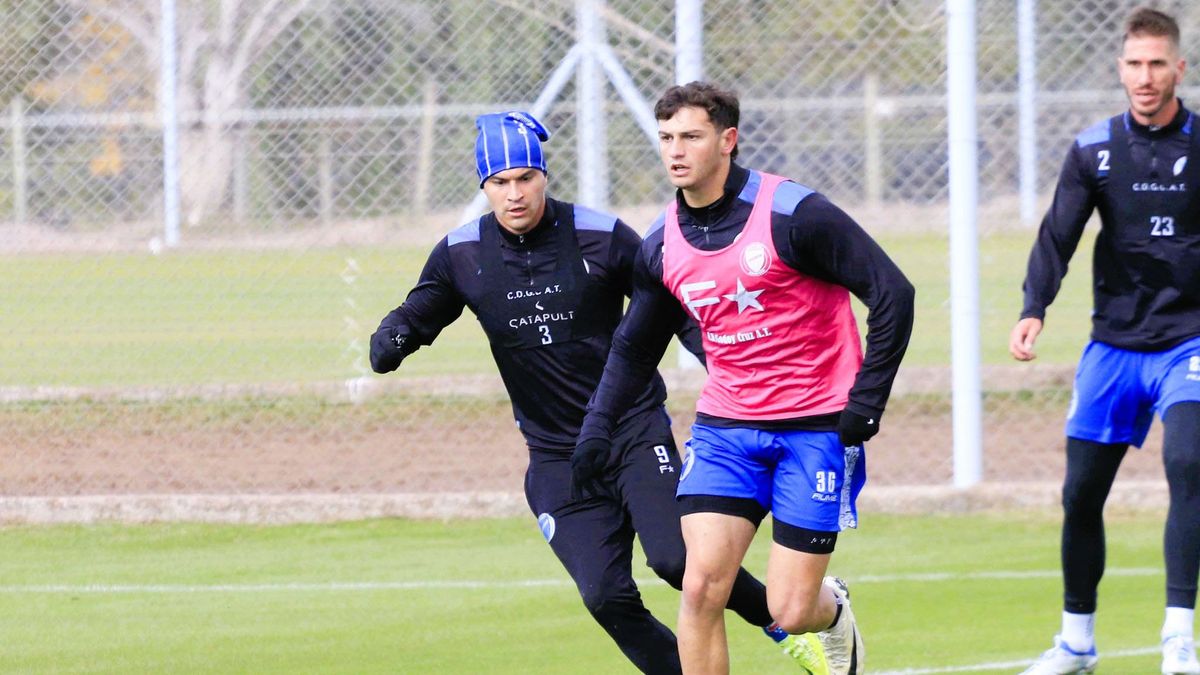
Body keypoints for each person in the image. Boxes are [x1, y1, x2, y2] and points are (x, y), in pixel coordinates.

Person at [370, 111, 815, 674]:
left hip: (631, 430)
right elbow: (420, 309)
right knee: (605, 597)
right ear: (483, 187)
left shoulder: (600, 236)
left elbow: (670, 307)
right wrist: (394, 337)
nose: (514, 194)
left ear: (544, 176)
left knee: (677, 561)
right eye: (499, 183)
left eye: (525, 177)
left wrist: (722, 361)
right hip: (556, 455)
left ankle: (785, 626)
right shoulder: (462, 254)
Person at [572, 82, 915, 675]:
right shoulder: (660, 245)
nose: (676, 150)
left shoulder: (794, 215)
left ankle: (832, 613)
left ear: (728, 140)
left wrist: (868, 399)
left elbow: (892, 292)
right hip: (727, 428)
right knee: (702, 586)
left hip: (815, 429)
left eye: (691, 136)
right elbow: (634, 347)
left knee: (789, 606)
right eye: (666, 138)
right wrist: (596, 428)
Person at [1010, 8, 1200, 675]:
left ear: (1180, 68)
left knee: (1189, 463)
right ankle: (1076, 642)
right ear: (1119, 68)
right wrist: (1034, 307)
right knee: (1081, 493)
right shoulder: (1094, 148)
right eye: (1133, 64)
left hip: (1190, 343)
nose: (1144, 77)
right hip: (1113, 347)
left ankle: (1180, 636)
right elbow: (1057, 234)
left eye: (1157, 64)